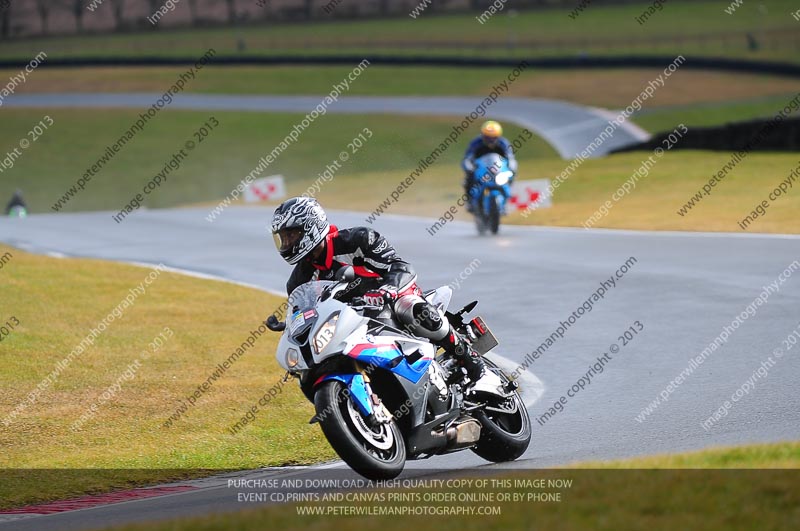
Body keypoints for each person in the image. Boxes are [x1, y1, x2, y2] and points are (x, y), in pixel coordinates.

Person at [270, 196, 486, 383]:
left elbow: (400, 266)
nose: (287, 243)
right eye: (284, 238)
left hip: (390, 298)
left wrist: (388, 290)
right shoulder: (298, 280)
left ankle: (470, 359)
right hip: (351, 319)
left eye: (292, 235)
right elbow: (306, 310)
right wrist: (291, 324)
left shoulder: (358, 239)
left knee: (411, 308)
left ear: (311, 226)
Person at [461, 121, 518, 212]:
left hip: (498, 171)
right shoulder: (476, 143)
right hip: (481, 170)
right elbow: (467, 158)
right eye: (487, 137)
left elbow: (510, 158)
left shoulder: (504, 143)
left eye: (493, 138)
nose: (490, 140)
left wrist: (512, 168)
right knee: (468, 179)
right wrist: (469, 167)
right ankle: (470, 202)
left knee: (510, 177)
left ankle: (506, 200)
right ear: (483, 135)